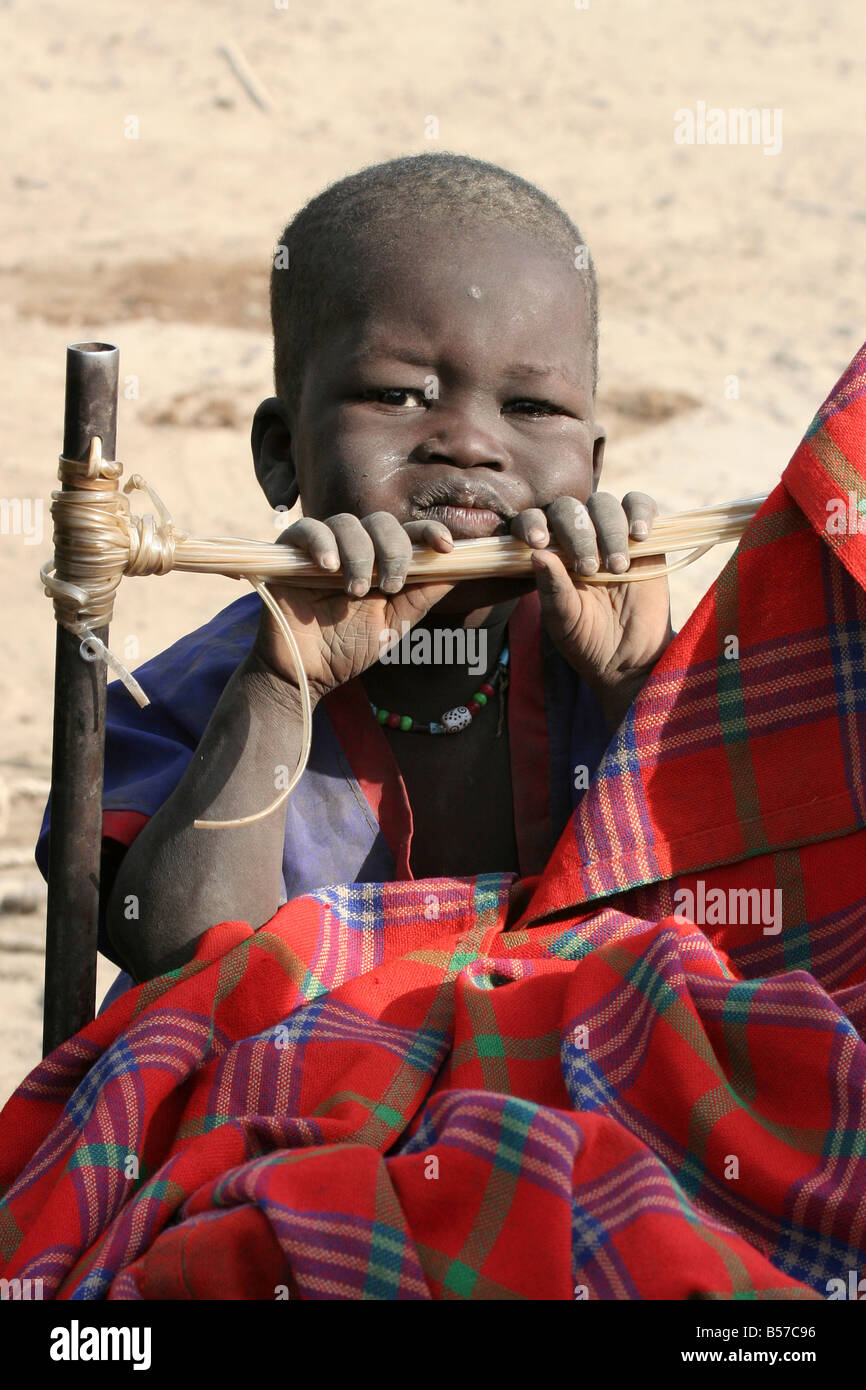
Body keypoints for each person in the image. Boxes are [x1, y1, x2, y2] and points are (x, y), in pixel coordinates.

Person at [36, 152, 672, 985]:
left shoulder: (648, 674)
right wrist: (276, 690)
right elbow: (175, 965)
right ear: (280, 452)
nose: (471, 444)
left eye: (531, 407)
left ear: (592, 464)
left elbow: (764, 923)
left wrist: (642, 692)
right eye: (399, 396)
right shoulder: (184, 702)